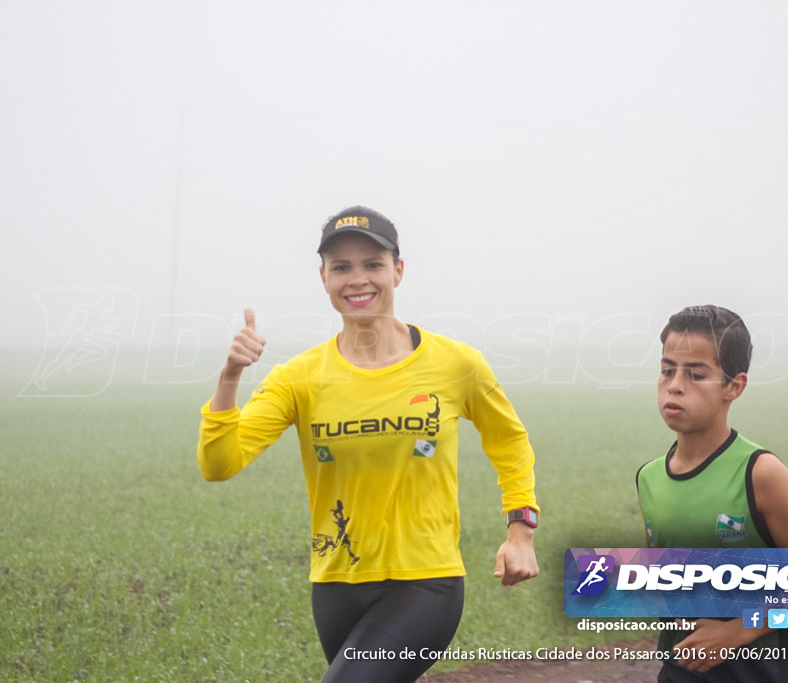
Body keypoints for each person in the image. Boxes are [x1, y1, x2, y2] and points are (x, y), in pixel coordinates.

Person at [197, 206, 540, 682]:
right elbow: (220, 463)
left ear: (398, 269)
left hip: (425, 581)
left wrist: (520, 528)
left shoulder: (454, 363)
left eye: (372, 264)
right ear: (323, 277)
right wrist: (230, 377)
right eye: (341, 267)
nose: (357, 280)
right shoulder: (299, 379)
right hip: (336, 582)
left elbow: (509, 440)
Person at [635, 305, 788, 683]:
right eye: (667, 369)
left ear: (734, 386)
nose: (674, 384)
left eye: (696, 374)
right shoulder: (649, 478)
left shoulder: (760, 473)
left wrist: (736, 631)